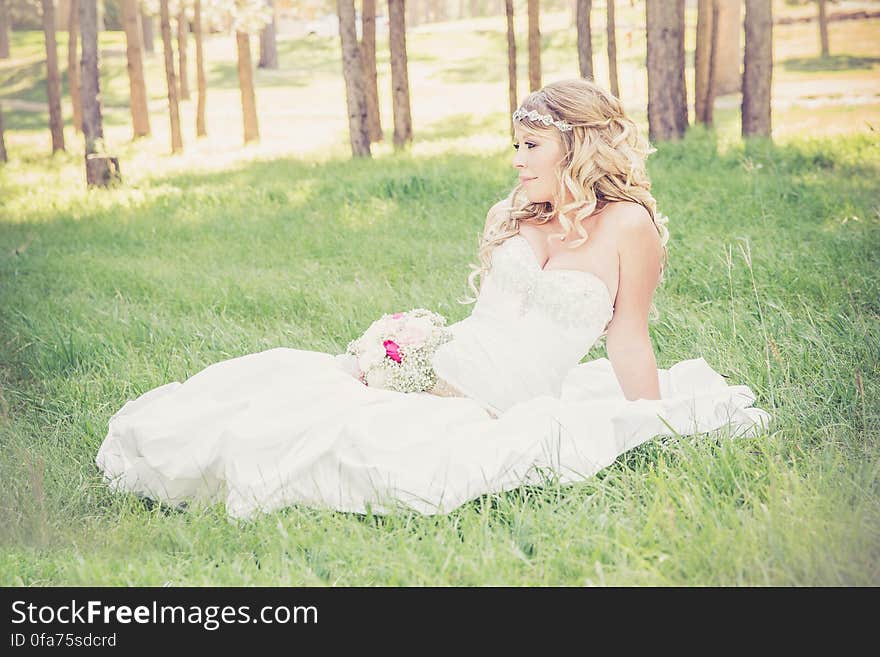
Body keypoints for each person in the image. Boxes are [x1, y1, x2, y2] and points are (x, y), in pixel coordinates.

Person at [96, 79, 769, 520]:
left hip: (498, 403)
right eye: (516, 144)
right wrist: (406, 352)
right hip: (439, 363)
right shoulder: (514, 211)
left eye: (530, 144)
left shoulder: (630, 227)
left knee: (366, 444)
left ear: (576, 144)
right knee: (291, 400)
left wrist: (645, 421)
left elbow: (627, 336)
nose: (517, 159)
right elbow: (486, 319)